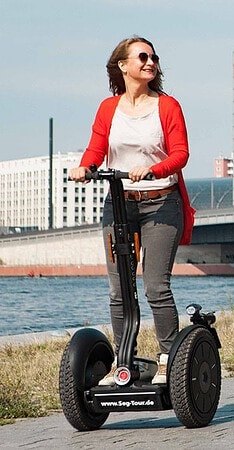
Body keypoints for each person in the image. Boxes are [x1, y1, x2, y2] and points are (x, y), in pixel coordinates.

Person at [68, 36, 195, 385]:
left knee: (155, 286)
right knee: (119, 288)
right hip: (120, 205)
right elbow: (96, 148)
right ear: (123, 65)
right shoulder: (108, 108)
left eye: (153, 57)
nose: (150, 62)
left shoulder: (167, 106)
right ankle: (124, 361)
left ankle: (170, 359)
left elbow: (180, 154)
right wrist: (84, 167)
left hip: (161, 204)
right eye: (142, 56)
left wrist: (154, 169)